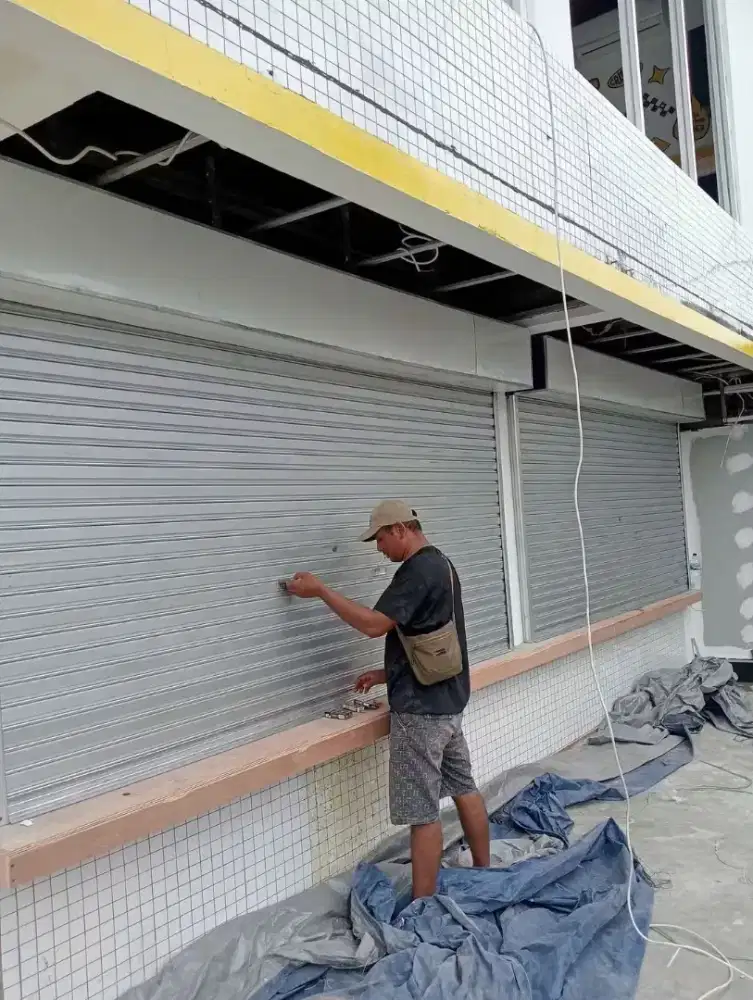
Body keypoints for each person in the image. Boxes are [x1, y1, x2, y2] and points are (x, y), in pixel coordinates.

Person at [286, 499, 490, 898]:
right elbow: (433, 637)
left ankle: (422, 906)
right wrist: (387, 673)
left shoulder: (416, 570)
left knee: (422, 812)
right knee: (464, 786)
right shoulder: (442, 564)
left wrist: (321, 591)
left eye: (379, 539)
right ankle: (486, 870)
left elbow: (373, 626)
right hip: (448, 700)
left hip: (421, 713)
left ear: (400, 529)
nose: (379, 548)